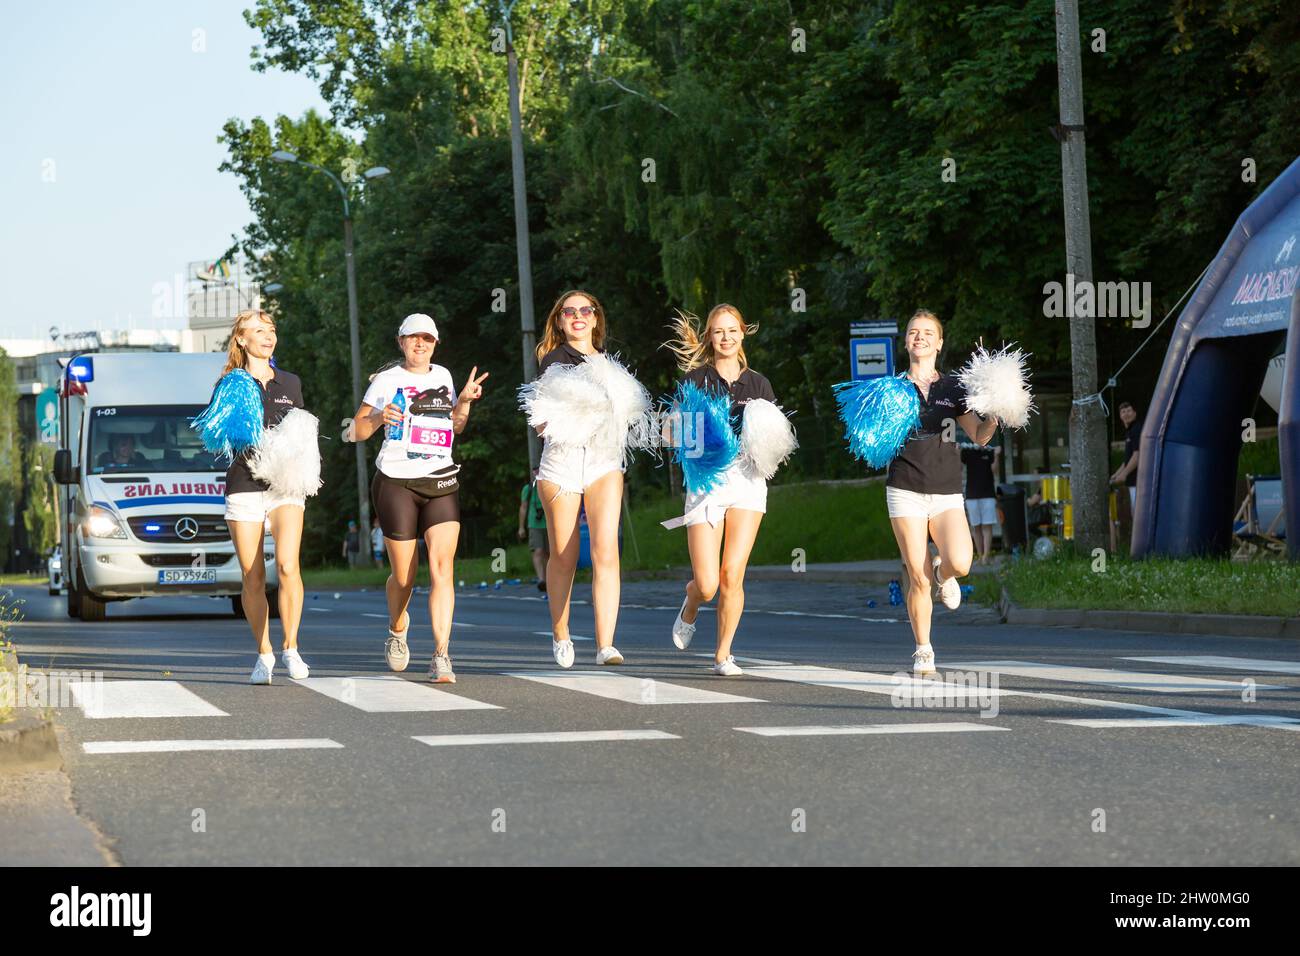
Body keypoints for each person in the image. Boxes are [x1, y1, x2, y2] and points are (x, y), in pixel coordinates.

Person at [352, 313, 488, 684]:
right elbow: (356, 430)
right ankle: (397, 628)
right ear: (401, 342)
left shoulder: (443, 376)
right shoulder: (386, 380)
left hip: (441, 480)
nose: (421, 344)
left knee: (443, 569)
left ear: (435, 344)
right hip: (396, 481)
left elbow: (455, 428)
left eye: (427, 339)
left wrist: (463, 402)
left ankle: (441, 655)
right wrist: (379, 416)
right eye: (414, 338)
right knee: (404, 575)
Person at [663, 306, 779, 677]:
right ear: (710, 338)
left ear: (743, 334)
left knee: (732, 574)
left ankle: (723, 654)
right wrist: (675, 429)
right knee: (709, 583)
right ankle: (691, 602)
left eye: (732, 330)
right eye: (718, 332)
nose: (726, 338)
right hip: (706, 484)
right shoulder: (695, 380)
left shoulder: (759, 384)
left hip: (748, 483)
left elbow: (774, 440)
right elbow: (671, 433)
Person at [530, 289, 641, 668]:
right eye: (569, 311)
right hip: (561, 462)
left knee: (605, 549)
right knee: (564, 555)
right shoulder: (553, 361)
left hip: (603, 460)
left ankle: (605, 644)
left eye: (585, 310)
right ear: (560, 321)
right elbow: (542, 422)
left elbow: (624, 416)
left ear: (596, 319)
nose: (578, 315)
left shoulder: (611, 367)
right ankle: (561, 634)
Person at [886, 310, 999, 677]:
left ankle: (943, 571)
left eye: (927, 333)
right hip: (905, 488)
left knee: (962, 563)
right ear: (906, 341)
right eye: (913, 332)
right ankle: (924, 649)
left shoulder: (953, 388)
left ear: (939, 342)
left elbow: (979, 435)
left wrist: (996, 412)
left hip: (947, 490)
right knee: (915, 576)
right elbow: (871, 442)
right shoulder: (890, 389)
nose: (919, 337)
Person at [210, 309, 309, 686]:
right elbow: (223, 438)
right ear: (241, 339)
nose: (267, 336)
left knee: (286, 565)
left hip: (285, 485)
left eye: (271, 330)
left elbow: (300, 433)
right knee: (253, 575)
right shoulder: (230, 384)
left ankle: (291, 648)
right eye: (258, 331)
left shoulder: (290, 382)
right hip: (245, 485)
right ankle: (264, 653)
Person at [960, 441, 1000, 565]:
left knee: (987, 526)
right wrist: (956, 453)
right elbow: (959, 469)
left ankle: (986, 556)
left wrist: (997, 455)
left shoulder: (989, 450)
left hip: (988, 494)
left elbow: (995, 470)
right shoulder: (967, 450)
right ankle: (979, 555)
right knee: (976, 527)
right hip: (972, 494)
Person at [518, 467, 549, 592]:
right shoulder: (528, 489)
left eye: (539, 470)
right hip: (534, 524)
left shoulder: (548, 486)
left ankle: (549, 579)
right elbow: (523, 507)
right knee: (538, 551)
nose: (536, 473)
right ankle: (541, 579)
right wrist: (521, 527)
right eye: (534, 470)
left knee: (549, 553)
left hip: (549, 524)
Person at [1110, 400, 1142, 512]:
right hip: (1132, 482)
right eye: (1123, 412)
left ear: (1135, 413)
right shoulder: (1129, 431)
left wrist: (1124, 474)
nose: (1126, 414)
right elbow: (1127, 461)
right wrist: (1116, 474)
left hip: (1139, 482)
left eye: (1129, 411)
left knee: (1138, 515)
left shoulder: (1137, 429)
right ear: (1120, 416)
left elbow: (1138, 455)